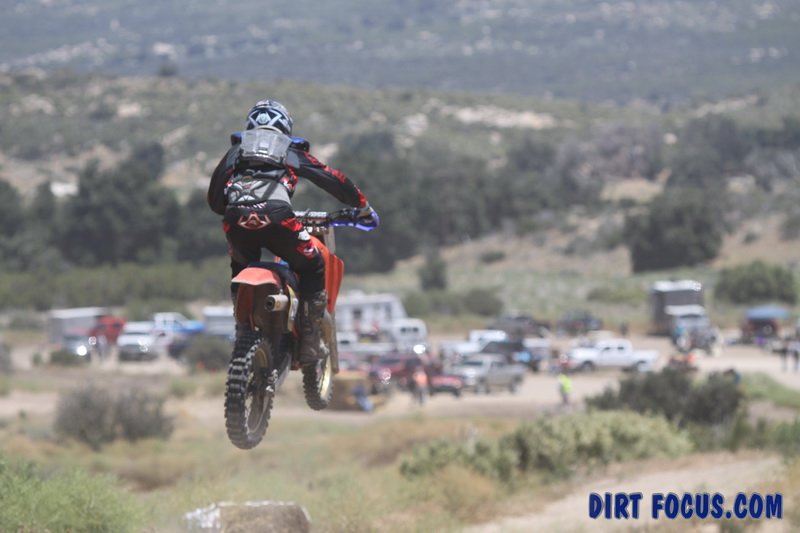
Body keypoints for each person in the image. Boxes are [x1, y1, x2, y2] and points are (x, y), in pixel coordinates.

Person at [207, 100, 379, 363]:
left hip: (236, 221)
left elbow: (214, 201)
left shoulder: (236, 151)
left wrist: (237, 207)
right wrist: (361, 205)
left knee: (239, 266)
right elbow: (329, 177)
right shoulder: (288, 149)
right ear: (285, 126)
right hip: (279, 219)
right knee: (313, 265)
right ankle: (309, 342)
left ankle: (242, 328)